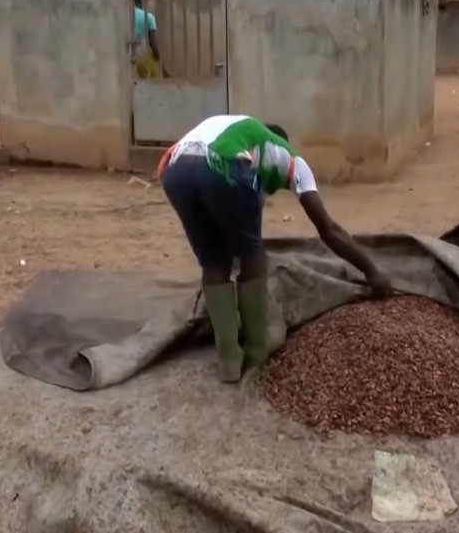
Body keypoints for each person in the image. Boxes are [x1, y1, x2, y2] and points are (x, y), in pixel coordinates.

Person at [157, 115, 393, 383]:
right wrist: (371, 271)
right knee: (253, 255)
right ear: (281, 141)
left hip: (174, 168)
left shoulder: (242, 136)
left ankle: (229, 362)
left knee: (213, 261)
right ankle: (257, 349)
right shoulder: (290, 158)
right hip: (220, 163)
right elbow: (328, 229)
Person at [130, 0, 165, 79]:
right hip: (139, 52)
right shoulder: (149, 17)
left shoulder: (121, 14)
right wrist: (158, 57)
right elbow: (152, 41)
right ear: (141, 0)